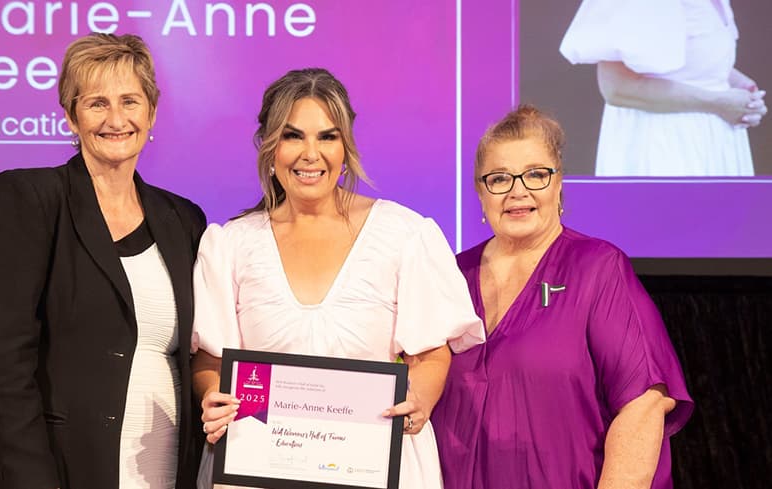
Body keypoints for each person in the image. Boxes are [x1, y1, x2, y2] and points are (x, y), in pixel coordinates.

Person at [189, 68, 483, 489]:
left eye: (327, 137)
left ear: (345, 146)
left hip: (378, 466)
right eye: (293, 136)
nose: (311, 154)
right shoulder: (231, 245)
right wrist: (211, 397)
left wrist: (420, 398)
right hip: (258, 470)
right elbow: (212, 361)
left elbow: (430, 353)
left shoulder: (404, 234)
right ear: (270, 148)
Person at [0, 33, 206, 489]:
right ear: (71, 118)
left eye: (130, 101)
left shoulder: (183, 219)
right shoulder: (30, 198)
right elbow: (3, 357)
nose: (116, 119)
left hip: (163, 466)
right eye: (97, 103)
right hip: (56, 468)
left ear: (151, 113)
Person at [430, 105, 694, 489]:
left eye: (536, 175)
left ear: (559, 184)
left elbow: (645, 403)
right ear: (480, 192)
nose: (518, 191)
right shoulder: (448, 276)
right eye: (500, 178)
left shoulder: (597, 268)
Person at [559, 0, 767, 176]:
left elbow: (690, 58)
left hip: (715, 143)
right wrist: (719, 102)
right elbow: (617, 88)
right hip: (665, 146)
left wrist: (741, 90)